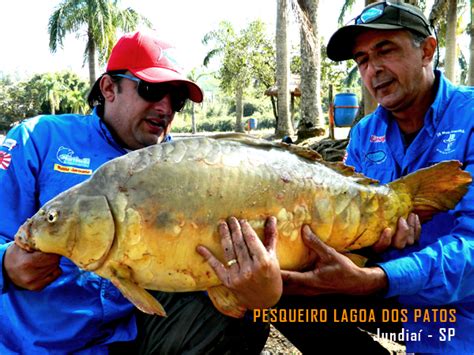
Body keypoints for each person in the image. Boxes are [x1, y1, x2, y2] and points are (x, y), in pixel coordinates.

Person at [202, 1, 474, 354]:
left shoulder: (468, 117)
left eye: (385, 50)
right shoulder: (364, 134)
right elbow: (350, 236)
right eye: (362, 60)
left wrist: (377, 279)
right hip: (389, 295)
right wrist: (369, 245)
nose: (373, 69)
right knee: (274, 294)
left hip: (459, 311)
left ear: (427, 50)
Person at [0, 31, 280, 354]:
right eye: (152, 90)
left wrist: (259, 289)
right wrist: (6, 264)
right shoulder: (39, 139)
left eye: (176, 99)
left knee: (244, 322)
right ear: (108, 88)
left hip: (125, 341)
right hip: (28, 346)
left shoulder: (186, 169)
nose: (165, 108)